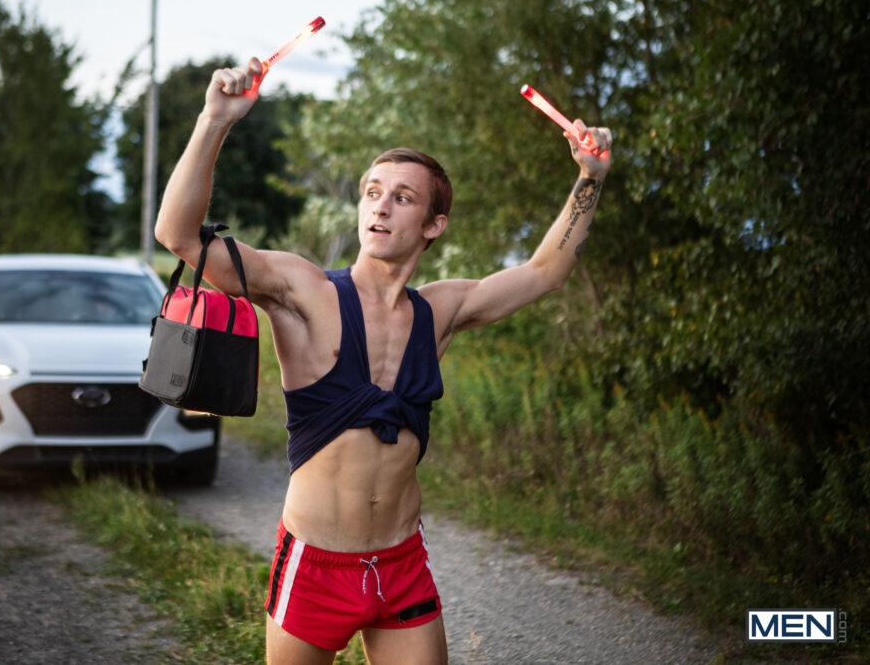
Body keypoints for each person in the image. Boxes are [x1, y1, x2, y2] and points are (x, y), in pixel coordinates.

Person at [153, 57, 613, 665]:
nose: (381, 207)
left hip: (400, 564)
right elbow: (179, 235)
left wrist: (590, 177)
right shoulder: (305, 290)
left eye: (402, 198)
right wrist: (215, 120)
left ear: (434, 224)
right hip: (315, 565)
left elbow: (546, 271)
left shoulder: (440, 311)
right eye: (372, 193)